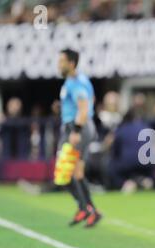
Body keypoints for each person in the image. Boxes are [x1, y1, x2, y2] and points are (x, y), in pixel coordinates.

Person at [57, 48, 102, 227]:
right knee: (71, 173)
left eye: (61, 61)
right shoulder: (75, 81)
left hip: (77, 129)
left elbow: (83, 109)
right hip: (77, 126)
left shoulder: (76, 82)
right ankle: (86, 208)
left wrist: (75, 131)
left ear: (71, 63)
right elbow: (90, 100)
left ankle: (88, 209)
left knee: (67, 172)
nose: (58, 64)